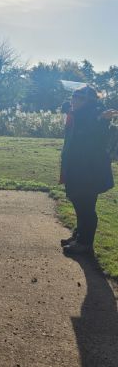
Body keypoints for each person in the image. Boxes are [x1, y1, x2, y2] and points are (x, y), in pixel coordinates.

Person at [61, 86, 114, 255]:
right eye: (72, 96)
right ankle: (79, 236)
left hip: (89, 171)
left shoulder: (95, 113)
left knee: (86, 208)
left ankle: (84, 244)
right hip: (78, 168)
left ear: (87, 101)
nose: (72, 100)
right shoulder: (79, 113)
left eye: (77, 97)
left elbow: (94, 128)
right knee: (79, 203)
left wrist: (101, 119)